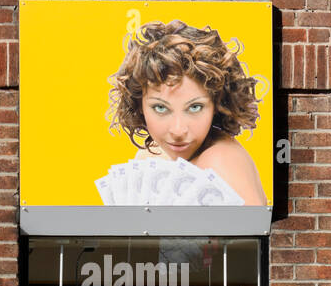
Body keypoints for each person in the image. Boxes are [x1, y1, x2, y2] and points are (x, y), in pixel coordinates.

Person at [109, 20, 267, 206]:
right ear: (139, 105)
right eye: (160, 108)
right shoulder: (154, 157)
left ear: (217, 103)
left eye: (194, 107)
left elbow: (250, 233)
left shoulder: (218, 163)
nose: (178, 130)